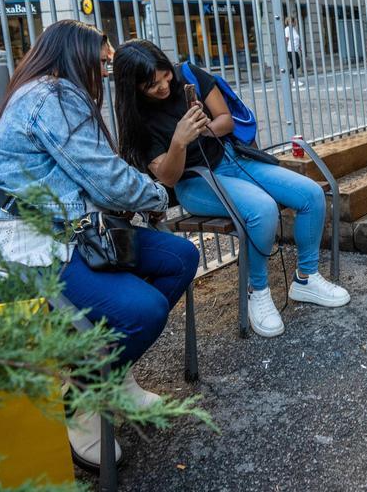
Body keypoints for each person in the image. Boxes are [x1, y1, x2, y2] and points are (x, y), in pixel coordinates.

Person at [0, 20, 200, 467]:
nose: (105, 72)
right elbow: (107, 179)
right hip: (15, 248)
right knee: (142, 311)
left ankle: (110, 377)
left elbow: (93, 179)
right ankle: (82, 399)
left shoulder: (48, 92)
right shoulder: (51, 96)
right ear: (74, 54)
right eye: (101, 62)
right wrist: (159, 194)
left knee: (180, 257)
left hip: (60, 232)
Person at [112, 39, 350, 339]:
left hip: (233, 160)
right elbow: (169, 178)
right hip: (195, 181)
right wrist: (179, 140)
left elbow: (225, 121)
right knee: (261, 209)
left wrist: (204, 125)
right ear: (133, 87)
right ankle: (257, 291)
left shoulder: (188, 75)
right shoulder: (138, 119)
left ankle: (305, 278)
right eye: (151, 84)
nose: (163, 85)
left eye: (164, 75)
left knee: (311, 195)